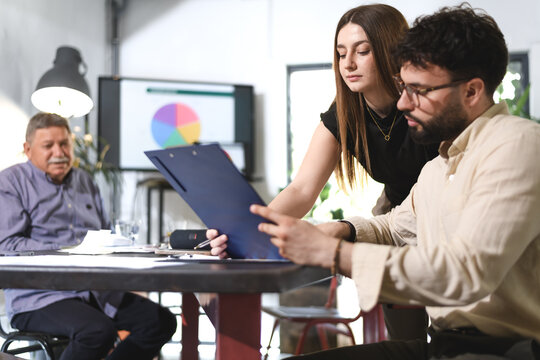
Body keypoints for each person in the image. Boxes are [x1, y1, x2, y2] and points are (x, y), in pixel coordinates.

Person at [248, 4, 540, 359]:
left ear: (472, 91)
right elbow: (395, 226)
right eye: (341, 54)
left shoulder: (517, 145)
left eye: (418, 90)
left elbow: (464, 272)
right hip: (445, 345)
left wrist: (334, 253)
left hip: (505, 349)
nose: (403, 103)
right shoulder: (441, 166)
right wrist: (341, 230)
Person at [210, 3, 437, 341]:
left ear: (392, 51)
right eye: (341, 53)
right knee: (407, 337)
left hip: (439, 207)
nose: (348, 64)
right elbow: (302, 189)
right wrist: (248, 230)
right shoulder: (345, 112)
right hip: (394, 212)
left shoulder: (423, 100)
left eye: (362, 51)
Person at [0, 113, 177, 360]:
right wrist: (68, 251)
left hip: (95, 290)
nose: (58, 152)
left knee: (160, 321)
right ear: (28, 149)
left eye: (64, 144)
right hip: (39, 297)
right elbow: (9, 245)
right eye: (48, 146)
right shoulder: (10, 182)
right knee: (97, 331)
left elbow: (103, 233)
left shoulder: (85, 180)